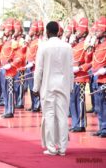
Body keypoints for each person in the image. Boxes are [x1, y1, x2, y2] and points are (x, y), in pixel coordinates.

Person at [33, 21, 73, 156]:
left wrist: (35, 87)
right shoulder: (67, 47)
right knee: (62, 116)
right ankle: (62, 148)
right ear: (58, 32)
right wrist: (71, 86)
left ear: (47, 32)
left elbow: (38, 70)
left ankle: (51, 148)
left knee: (49, 116)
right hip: (63, 85)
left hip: (48, 86)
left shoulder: (43, 47)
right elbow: (70, 69)